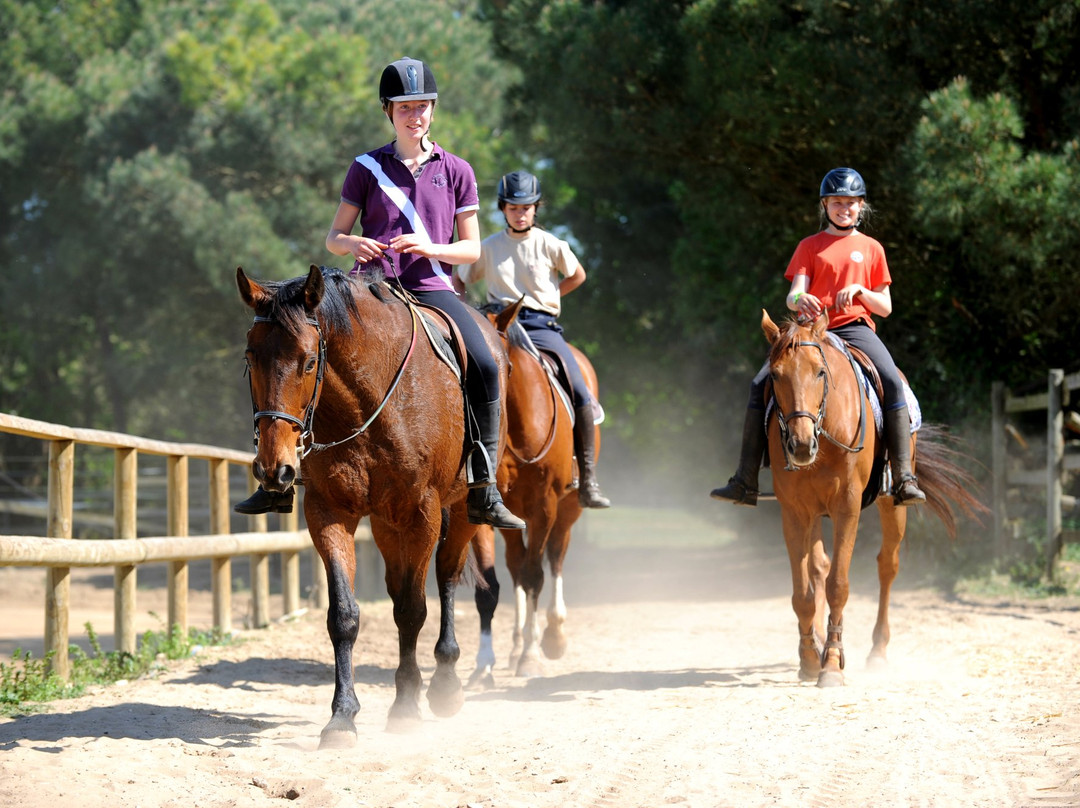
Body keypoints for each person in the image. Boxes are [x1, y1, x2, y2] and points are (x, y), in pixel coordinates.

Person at [236, 57, 524, 531]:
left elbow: (471, 248)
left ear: (432, 110)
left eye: (424, 106)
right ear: (388, 111)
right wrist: (354, 243)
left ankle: (485, 485)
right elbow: (334, 238)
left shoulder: (458, 170)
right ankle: (279, 478)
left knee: (488, 361)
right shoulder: (366, 167)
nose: (416, 115)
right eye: (406, 107)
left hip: (432, 288)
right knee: (288, 352)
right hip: (367, 290)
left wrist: (429, 246)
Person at [710, 167, 926, 507]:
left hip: (855, 329)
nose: (844, 209)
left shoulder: (871, 248)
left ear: (861, 206)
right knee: (759, 384)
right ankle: (745, 479)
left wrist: (860, 291)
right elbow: (792, 295)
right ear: (824, 205)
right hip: (810, 332)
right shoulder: (809, 246)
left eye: (851, 203)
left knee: (894, 383)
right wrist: (801, 300)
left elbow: (884, 306)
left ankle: (903, 477)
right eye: (837, 202)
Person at [456, 170, 610, 509]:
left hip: (541, 326)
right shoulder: (488, 247)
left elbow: (577, 275)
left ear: (536, 208)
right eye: (513, 207)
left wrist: (552, 297)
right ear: (503, 209)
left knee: (581, 391)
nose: (520, 213)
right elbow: (460, 278)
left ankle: (587, 478)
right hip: (498, 324)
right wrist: (467, 309)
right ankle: (462, 470)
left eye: (526, 207)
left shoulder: (552, 244)